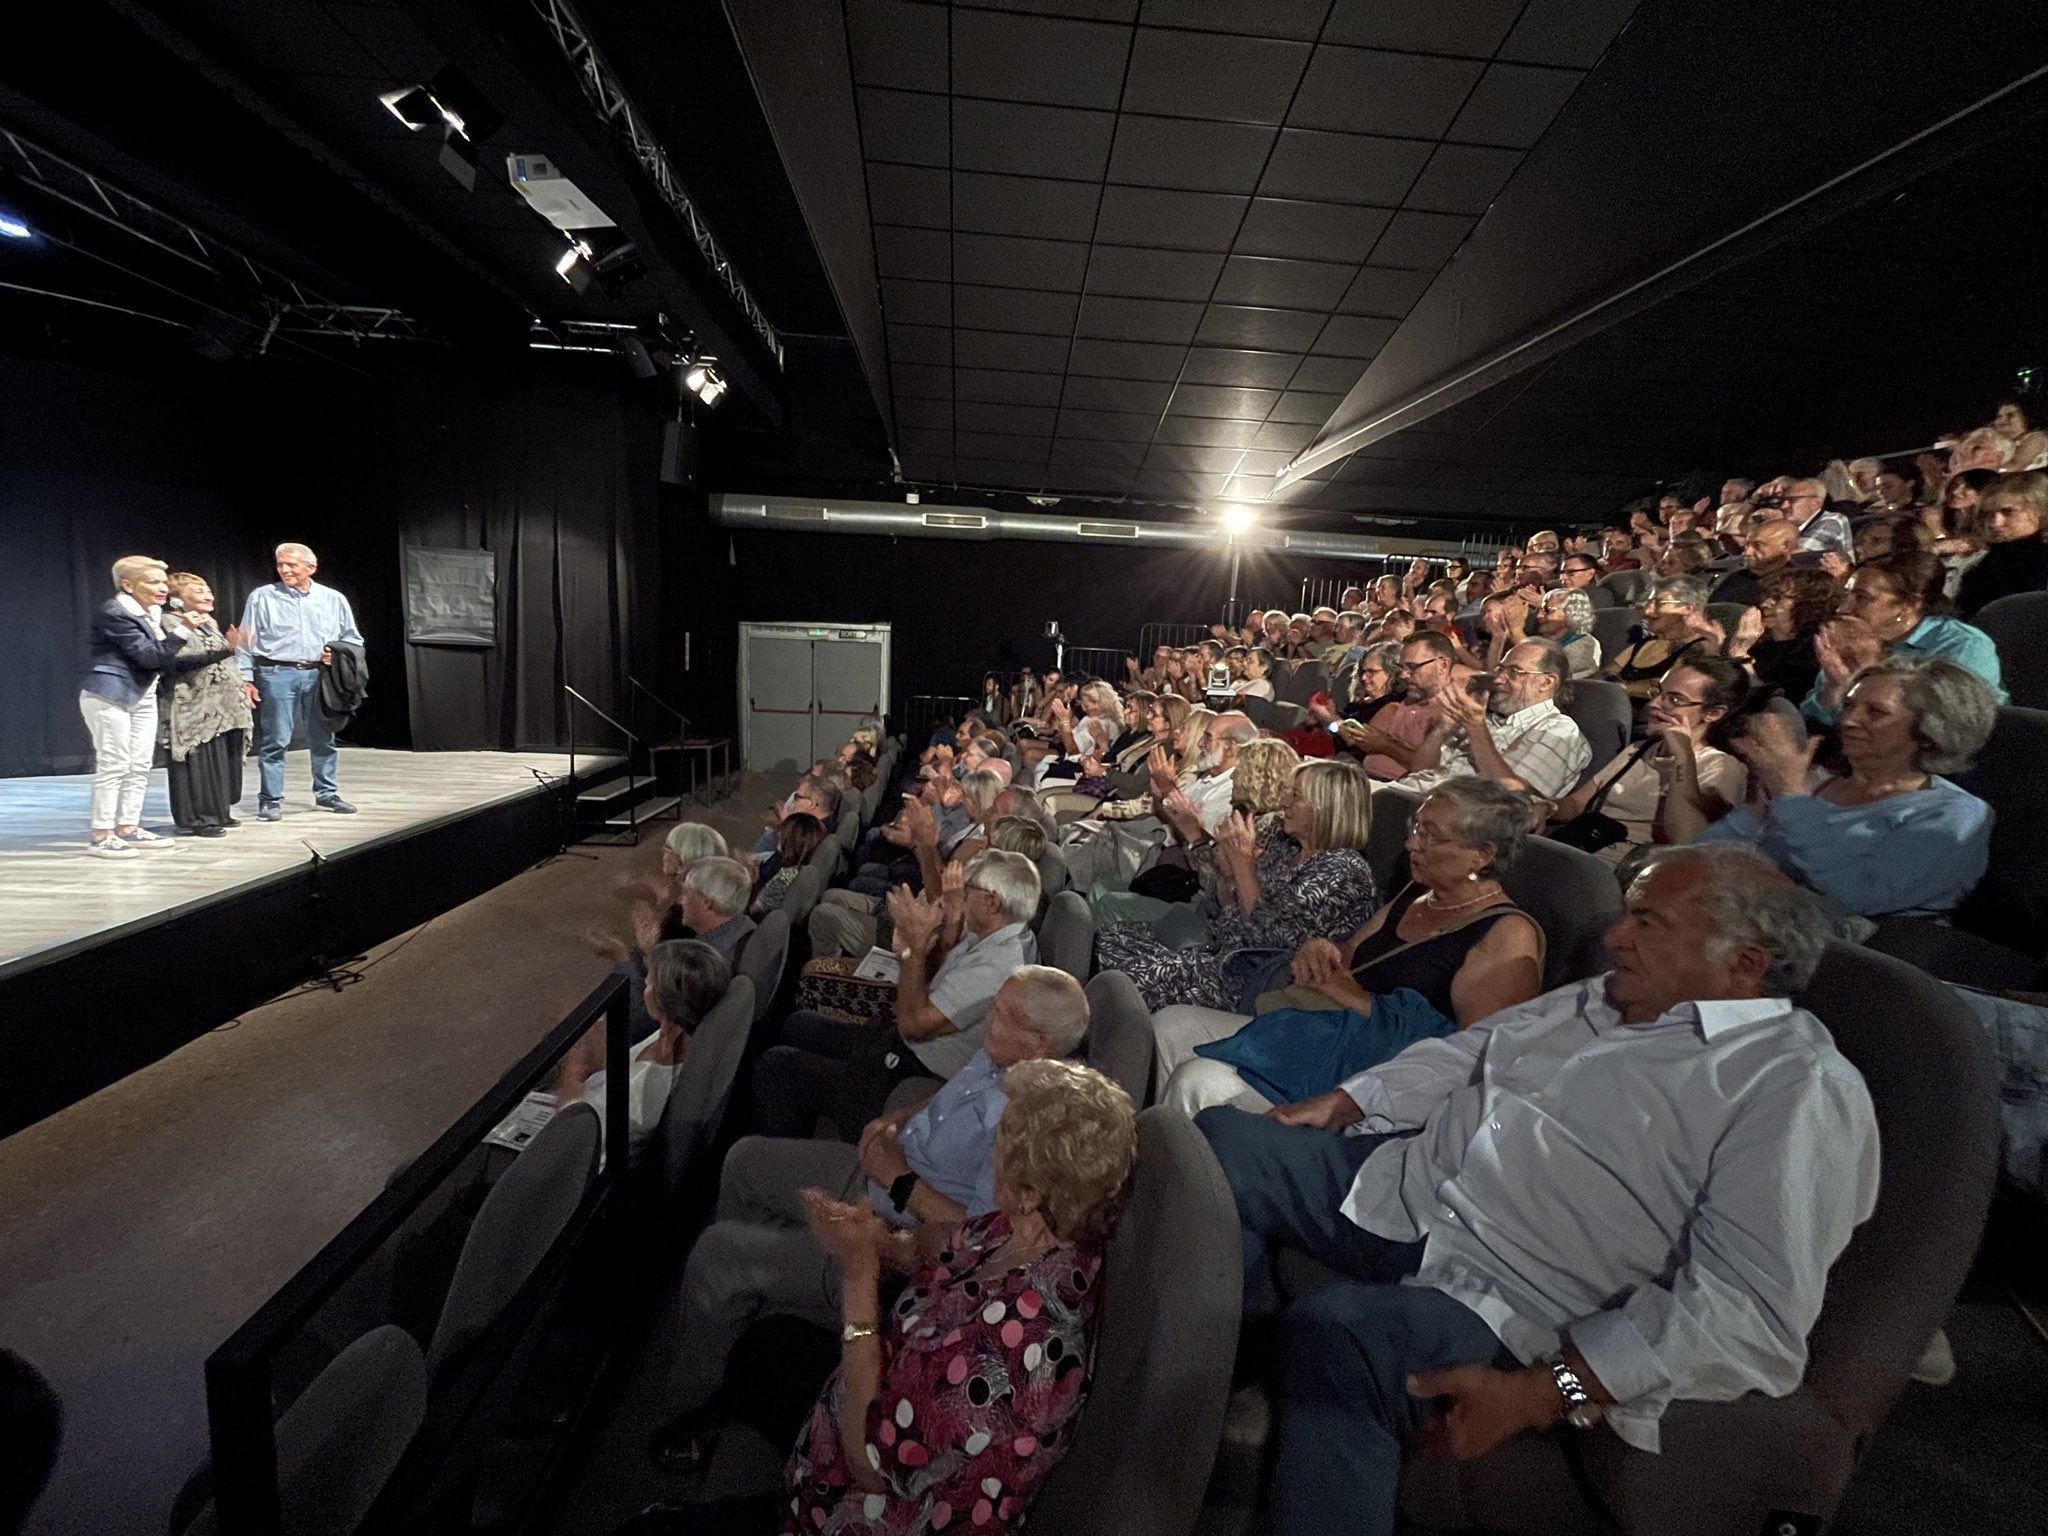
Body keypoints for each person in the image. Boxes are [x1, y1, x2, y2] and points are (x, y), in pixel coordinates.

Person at [1196, 845, 1875, 1536]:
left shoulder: (1792, 1088)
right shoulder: (1609, 995)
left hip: (1512, 1294)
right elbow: (1471, 1053)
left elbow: (1749, 1314)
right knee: (1217, 1145)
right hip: (1410, 1193)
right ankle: (1218, 1374)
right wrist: (1348, 1100)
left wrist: (1546, 1392)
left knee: (1342, 1335)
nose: (1615, 937)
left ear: (1746, 964)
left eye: (1649, 922)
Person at [645, 968, 1092, 1471]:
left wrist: (898, 1179)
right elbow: (950, 1095)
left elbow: (977, 1240)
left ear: (1040, 1042)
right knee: (744, 1161)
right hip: (885, 1171)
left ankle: (692, 1412)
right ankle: (736, 1320)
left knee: (718, 1256)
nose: (987, 1017)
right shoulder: (1001, 1055)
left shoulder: (1030, 1127)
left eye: (1003, 1015)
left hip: (898, 1230)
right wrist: (898, 1119)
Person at [780, 1059, 1135, 1536]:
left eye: (1001, 1143)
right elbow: (945, 1243)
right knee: (764, 1349)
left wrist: (859, 1272)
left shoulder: (1009, 1353)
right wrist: (885, 1241)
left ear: (1029, 1192)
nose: (991, 1155)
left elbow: (868, 1464)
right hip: (882, 1379)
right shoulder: (1039, 1226)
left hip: (867, 1507)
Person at [1154, 778, 1545, 1116]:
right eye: (1415, 827)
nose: (1410, 843)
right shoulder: (1420, 892)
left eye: (1430, 835)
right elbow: (1350, 952)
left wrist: (1364, 1004)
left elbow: (1466, 1069)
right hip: (1328, 1031)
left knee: (1198, 1082)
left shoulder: (1507, 936)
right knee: (1171, 1025)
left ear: (1483, 854)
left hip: (1369, 1079)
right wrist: (1320, 948)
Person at [754, 851, 1042, 1138]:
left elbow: (913, 1025)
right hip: (903, 1045)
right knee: (800, 1024)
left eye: (968, 889)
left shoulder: (998, 965)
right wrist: (951, 923)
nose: (960, 895)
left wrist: (911, 950)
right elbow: (939, 972)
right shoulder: (995, 934)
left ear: (992, 902)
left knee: (776, 1066)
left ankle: (791, 1159)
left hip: (914, 1070)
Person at [1695, 655, 1997, 920]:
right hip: (1740, 913)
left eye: (1876, 712)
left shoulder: (1954, 814)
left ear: (1929, 731)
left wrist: (1790, 794)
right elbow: (1709, 851)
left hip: (1843, 955)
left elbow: (1858, 895)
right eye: (1850, 705)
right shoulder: (1817, 780)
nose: (1849, 720)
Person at [1095, 759, 1380, 1011]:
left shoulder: (1343, 870)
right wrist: (1229, 872)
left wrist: (1241, 863)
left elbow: (1271, 939)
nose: (1284, 803)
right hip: (1219, 949)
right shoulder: (1287, 849)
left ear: (1325, 808)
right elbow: (1226, 909)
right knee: (1110, 941)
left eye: (1296, 797)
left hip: (1255, 981)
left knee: (1126, 980)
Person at [78, 556, 247, 857]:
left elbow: (163, 659)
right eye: (153, 581)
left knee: (139, 765)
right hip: (111, 694)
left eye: (162, 581)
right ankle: (101, 834)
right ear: (128, 585)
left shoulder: (152, 612)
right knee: (114, 763)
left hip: (142, 695)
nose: (162, 587)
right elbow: (149, 657)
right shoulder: (116, 611)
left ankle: (127, 827)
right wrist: (183, 630)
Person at [1543, 656, 1750, 867]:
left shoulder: (1722, 768)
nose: (1654, 704)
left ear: (1713, 713)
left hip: (1630, 870)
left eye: (1675, 700)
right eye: (1659, 692)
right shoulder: (1638, 749)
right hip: (1584, 850)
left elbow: (1685, 839)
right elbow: (1577, 804)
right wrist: (1541, 808)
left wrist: (1682, 756)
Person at [555, 938, 731, 1155]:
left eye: (649, 984)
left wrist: (572, 1072)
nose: (645, 986)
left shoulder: (643, 1094)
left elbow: (571, 1136)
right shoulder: (681, 1033)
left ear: (665, 1000)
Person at [1801, 551, 2006, 728]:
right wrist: (1835, 687)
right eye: (1847, 596)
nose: (1843, 609)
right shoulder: (1853, 638)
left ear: (1909, 605)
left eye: (1862, 598)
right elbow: (1815, 720)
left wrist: (1870, 670)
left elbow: (1948, 728)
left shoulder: (1963, 645)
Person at [235, 542, 364, 820]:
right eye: (280, 564)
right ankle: (270, 800)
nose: (284, 570)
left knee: (324, 737)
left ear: (311, 568)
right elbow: (245, 641)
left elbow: (353, 638)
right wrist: (245, 678)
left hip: (321, 675)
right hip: (276, 674)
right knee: (276, 740)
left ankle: (327, 793)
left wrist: (336, 652)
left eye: (291, 565)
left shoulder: (333, 599)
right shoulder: (262, 597)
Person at [1399, 639, 1592, 800]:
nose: (1499, 679)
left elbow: (1514, 798)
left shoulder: (1559, 731)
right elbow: (1420, 772)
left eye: (1514, 672)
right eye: (1500, 670)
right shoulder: (1488, 719)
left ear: (1546, 682)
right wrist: (1441, 729)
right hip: (1410, 795)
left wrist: (1476, 728)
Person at [1723, 566, 1834, 700]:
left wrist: (1740, 653)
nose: (1764, 604)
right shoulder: (1762, 648)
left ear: (1806, 605)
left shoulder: (1811, 656)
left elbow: (1771, 703)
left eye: (1777, 599)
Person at [1599, 577, 1714, 704]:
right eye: (1648, 604)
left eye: (1658, 604)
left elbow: (1667, 689)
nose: (1646, 612)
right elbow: (1603, 677)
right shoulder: (1648, 644)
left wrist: (1622, 688)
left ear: (1687, 609)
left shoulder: (1703, 648)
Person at [1954, 470, 2048, 618]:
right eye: (1988, 514)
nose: (1994, 523)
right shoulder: (1994, 560)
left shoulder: (2037, 562)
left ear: (2041, 511)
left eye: (2008, 512)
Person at [678, 857, 759, 966]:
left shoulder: (703, 964)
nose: (679, 900)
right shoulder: (746, 926)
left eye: (685, 893)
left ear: (707, 902)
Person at [1707, 516, 1799, 609]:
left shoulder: (1795, 584)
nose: (1747, 552)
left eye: (1757, 545)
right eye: (1747, 545)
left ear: (1785, 546)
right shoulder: (1737, 577)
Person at [753, 812, 829, 914]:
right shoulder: (806, 869)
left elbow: (754, 911)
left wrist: (753, 882)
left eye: (784, 832)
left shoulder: (784, 877)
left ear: (795, 841)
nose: (779, 834)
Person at [1534, 588, 1601, 678]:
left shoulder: (1584, 644)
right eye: (1540, 610)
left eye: (1547, 610)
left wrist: (1516, 631)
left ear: (1571, 614)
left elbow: (1544, 676)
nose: (1539, 616)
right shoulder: (1542, 640)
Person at [1991, 399, 2048, 471]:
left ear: (2025, 417)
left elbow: (2016, 466)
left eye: (2010, 415)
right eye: (1999, 416)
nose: (2003, 420)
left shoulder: (2036, 438)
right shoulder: (1998, 442)